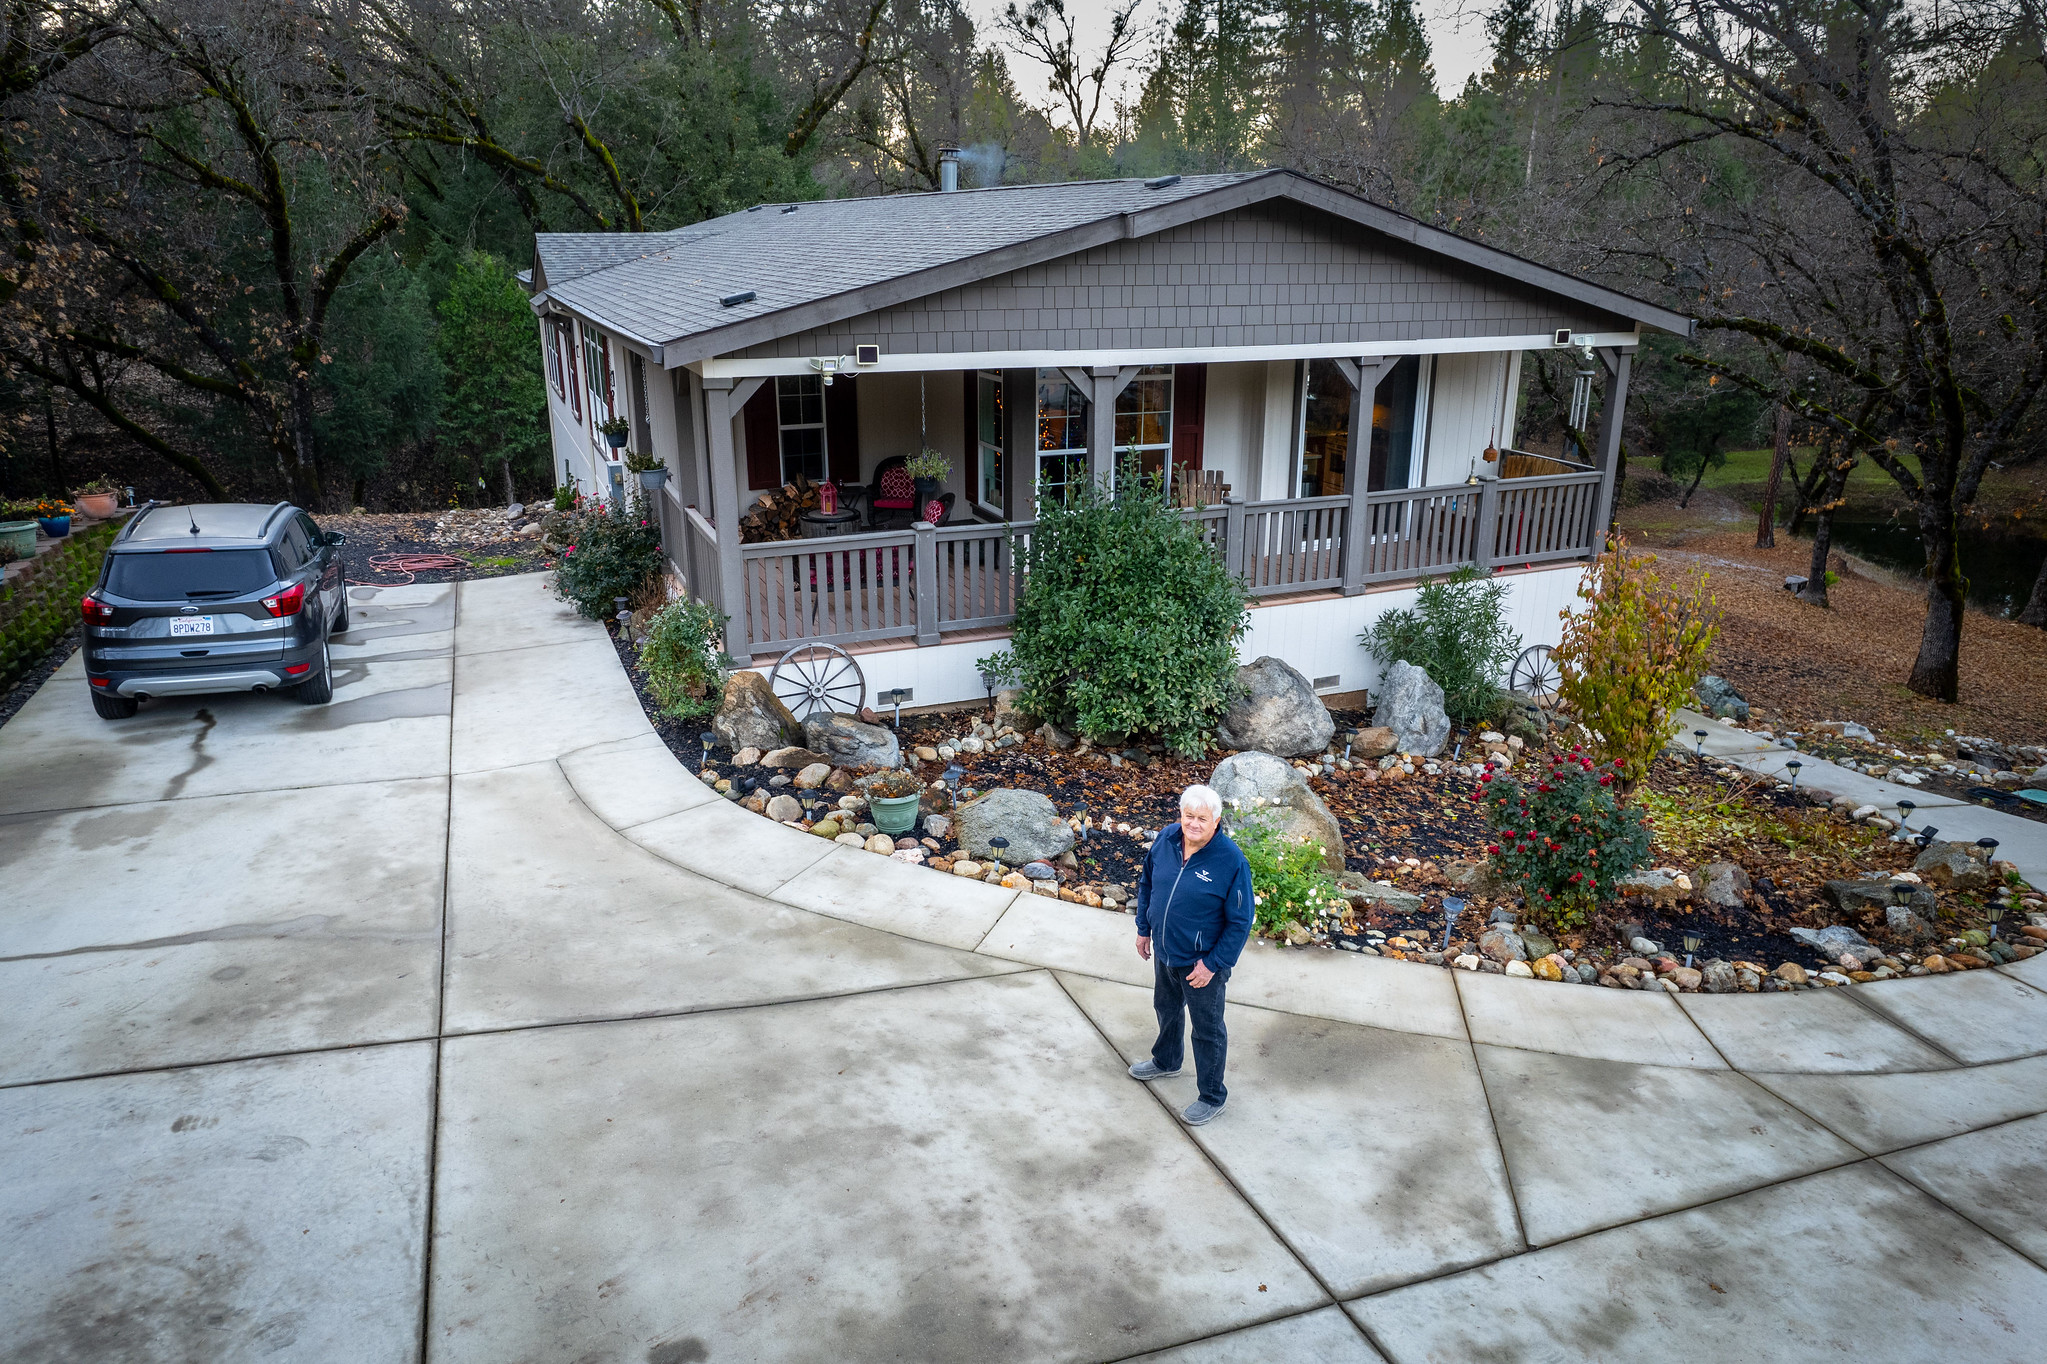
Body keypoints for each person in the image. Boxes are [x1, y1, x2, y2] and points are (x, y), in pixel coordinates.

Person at [1128, 784, 1254, 1125]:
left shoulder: (1231, 861)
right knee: (1165, 1008)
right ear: (1180, 815)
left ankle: (1212, 1096)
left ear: (1216, 821)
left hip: (1201, 964)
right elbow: (1147, 884)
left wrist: (1213, 964)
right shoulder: (1167, 839)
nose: (1193, 824)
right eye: (1188, 816)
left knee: (1207, 1030)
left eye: (1202, 818)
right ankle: (1167, 1061)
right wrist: (1143, 928)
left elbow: (1241, 921)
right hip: (1165, 951)